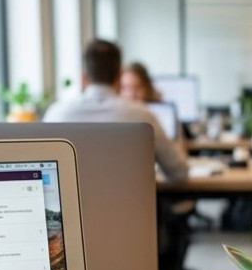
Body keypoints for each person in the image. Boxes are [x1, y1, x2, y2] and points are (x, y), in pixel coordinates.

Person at [44, 40, 188, 184]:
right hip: (131, 206)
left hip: (71, 206)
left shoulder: (55, 114)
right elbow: (179, 172)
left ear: (83, 78)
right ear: (119, 76)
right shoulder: (142, 116)